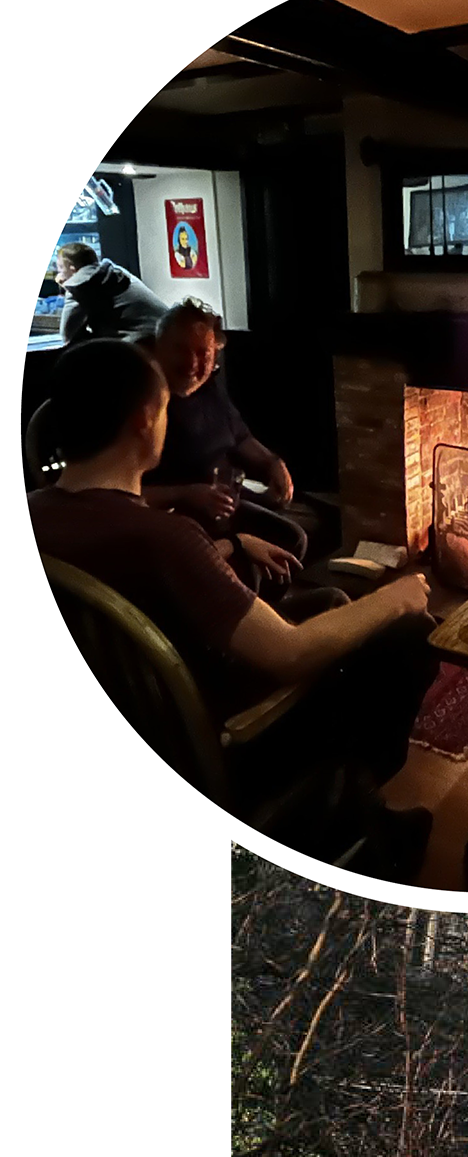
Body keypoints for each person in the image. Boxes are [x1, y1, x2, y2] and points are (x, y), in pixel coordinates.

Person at [30, 339, 437, 827]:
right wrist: (396, 598)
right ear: (142, 419)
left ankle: (356, 802)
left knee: (329, 597)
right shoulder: (165, 539)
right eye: (163, 409)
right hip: (221, 743)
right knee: (412, 633)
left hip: (127, 727)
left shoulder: (31, 515)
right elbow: (289, 653)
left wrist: (234, 545)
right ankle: (350, 814)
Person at [144, 299, 310, 565]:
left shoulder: (208, 389)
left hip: (225, 506)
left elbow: (241, 438)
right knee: (257, 559)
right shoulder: (143, 404)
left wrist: (273, 463)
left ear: (215, 356)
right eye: (180, 349)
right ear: (157, 347)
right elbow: (124, 496)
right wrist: (188, 494)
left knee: (292, 539)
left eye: (203, 354)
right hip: (177, 523)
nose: (191, 363)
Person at [52, 243, 170, 345]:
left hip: (141, 346)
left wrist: (68, 288)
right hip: (167, 335)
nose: (58, 275)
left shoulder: (78, 285)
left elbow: (67, 335)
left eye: (60, 269)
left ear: (72, 269)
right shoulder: (115, 272)